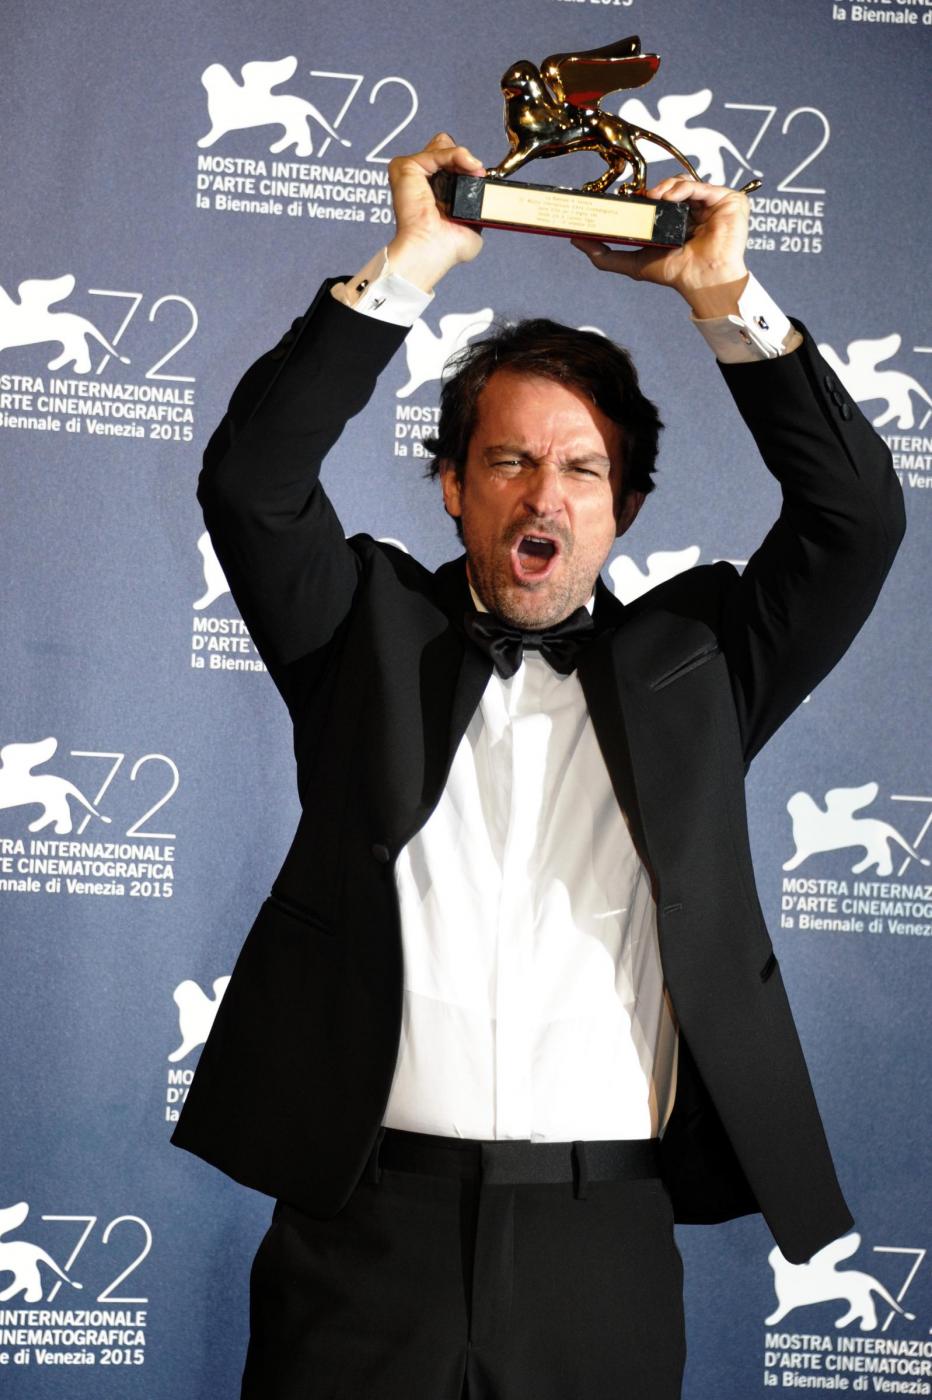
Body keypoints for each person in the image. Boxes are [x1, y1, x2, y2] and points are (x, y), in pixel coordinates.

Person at [173, 134, 905, 1398]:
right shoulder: (360, 635)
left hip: (598, 1247)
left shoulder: (699, 666)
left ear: (623, 507)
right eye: (508, 460)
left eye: (580, 469)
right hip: (364, 1240)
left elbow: (854, 517)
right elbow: (251, 481)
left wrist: (722, 296)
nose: (542, 497)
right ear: (452, 486)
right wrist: (410, 263)